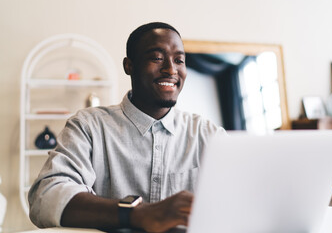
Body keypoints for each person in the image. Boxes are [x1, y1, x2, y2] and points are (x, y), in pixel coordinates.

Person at [28, 22, 225, 232]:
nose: (170, 69)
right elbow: (46, 196)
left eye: (179, 60)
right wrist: (136, 213)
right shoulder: (89, 126)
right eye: (157, 58)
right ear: (129, 66)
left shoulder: (210, 135)